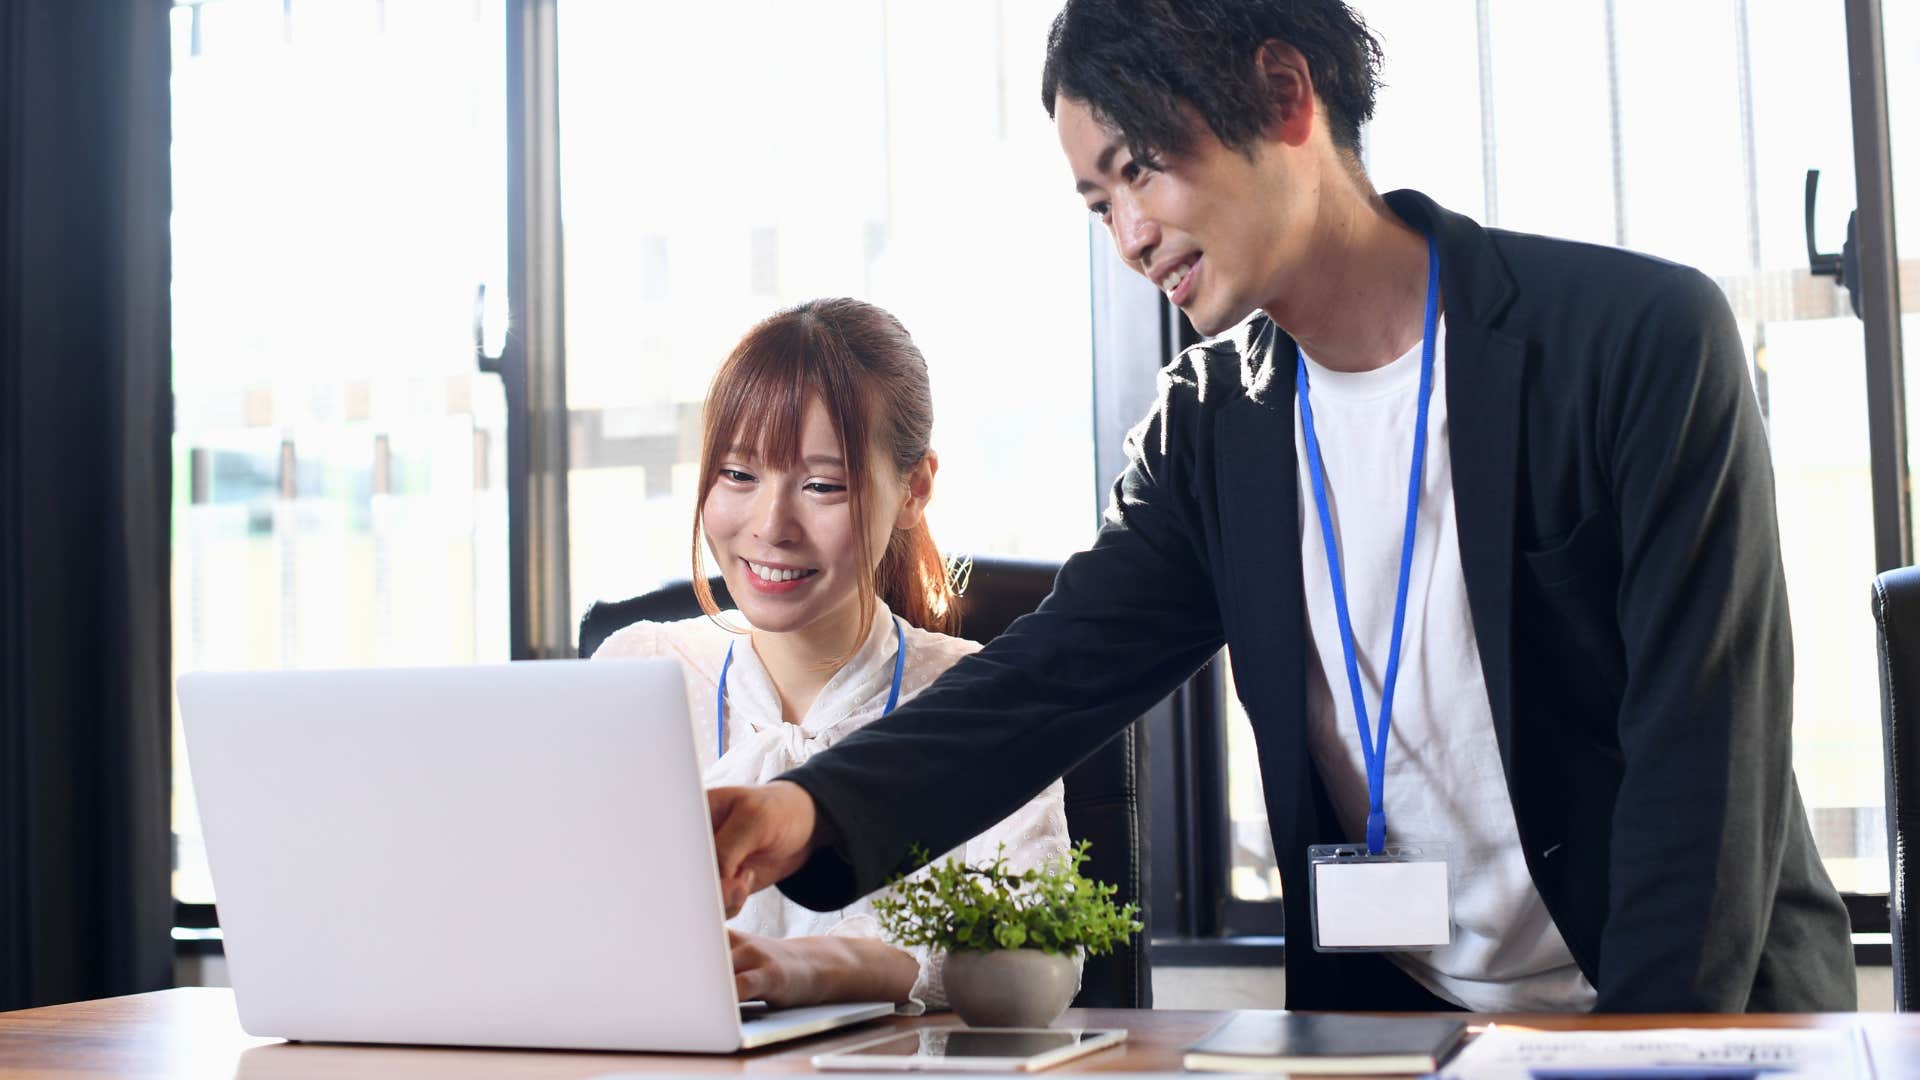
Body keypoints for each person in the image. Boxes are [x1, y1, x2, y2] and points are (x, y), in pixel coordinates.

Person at [704, 0, 1858, 1014]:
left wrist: (1646, 1062)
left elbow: (1700, 775)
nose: (1131, 236)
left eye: (1142, 167)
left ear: (1285, 94)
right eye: (1098, 203)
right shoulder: (1213, 426)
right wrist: (804, 812)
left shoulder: (1637, 343)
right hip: (1402, 1022)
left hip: (1682, 1011)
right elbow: (1048, 676)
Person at [592, 298, 1076, 1012]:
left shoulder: (977, 695)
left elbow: (1043, 950)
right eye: (738, 474)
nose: (770, 526)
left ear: (914, 489)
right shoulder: (641, 670)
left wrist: (817, 967)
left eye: (823, 485)